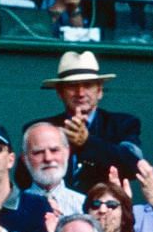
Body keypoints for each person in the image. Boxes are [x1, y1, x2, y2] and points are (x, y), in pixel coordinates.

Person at [30, 50, 144, 193]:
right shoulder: (41, 129)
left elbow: (134, 166)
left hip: (103, 210)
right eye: (72, 86)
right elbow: (24, 178)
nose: (81, 93)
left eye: (88, 85)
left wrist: (87, 142)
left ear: (100, 91)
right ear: (60, 92)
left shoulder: (123, 124)